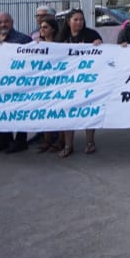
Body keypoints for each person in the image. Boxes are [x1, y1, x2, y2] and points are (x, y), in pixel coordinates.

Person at [56, 9, 103, 157]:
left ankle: (90, 142)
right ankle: (68, 145)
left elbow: (103, 55)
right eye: (75, 19)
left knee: (88, 110)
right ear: (68, 21)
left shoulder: (91, 35)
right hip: (67, 82)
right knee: (67, 113)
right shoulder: (62, 37)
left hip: (87, 80)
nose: (79, 22)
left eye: (81, 19)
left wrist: (99, 45)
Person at [0, 12, 34, 154]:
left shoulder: (23, 39)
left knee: (19, 112)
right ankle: (2, 142)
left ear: (12, 22)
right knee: (0, 111)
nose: (3, 25)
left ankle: (20, 142)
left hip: (18, 81)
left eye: (6, 21)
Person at [32, 16, 63, 154]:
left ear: (53, 29)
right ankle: (47, 141)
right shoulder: (37, 45)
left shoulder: (61, 44)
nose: (42, 30)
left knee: (60, 113)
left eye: (45, 27)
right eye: (41, 27)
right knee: (45, 112)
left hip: (59, 83)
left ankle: (60, 141)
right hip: (43, 84)